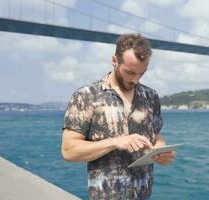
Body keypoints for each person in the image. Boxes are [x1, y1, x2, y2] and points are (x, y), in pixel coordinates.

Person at [61, 33, 175, 200]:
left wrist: (160, 150)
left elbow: (157, 136)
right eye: (130, 72)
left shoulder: (151, 96)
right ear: (114, 61)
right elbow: (68, 151)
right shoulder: (86, 96)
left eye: (141, 73)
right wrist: (115, 141)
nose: (136, 80)